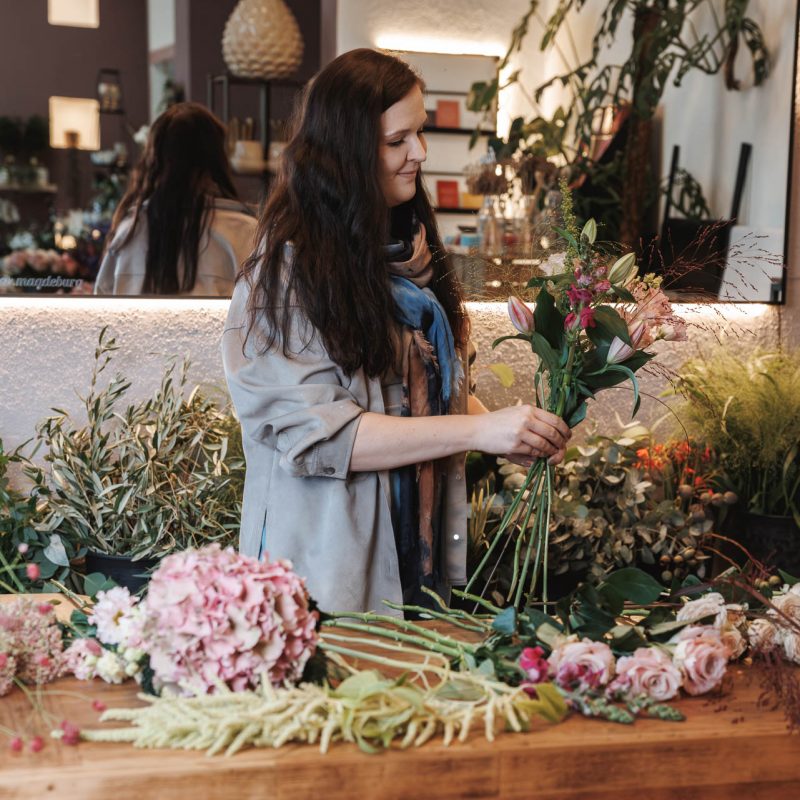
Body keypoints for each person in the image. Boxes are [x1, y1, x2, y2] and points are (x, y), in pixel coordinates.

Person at [222, 49, 570, 615]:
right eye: (397, 141)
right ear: (346, 153)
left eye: (421, 133)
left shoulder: (409, 256)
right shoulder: (284, 276)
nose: (421, 154)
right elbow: (325, 436)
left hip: (418, 561)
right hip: (324, 574)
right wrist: (477, 434)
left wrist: (513, 436)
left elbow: (422, 396)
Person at [95, 102, 256, 296]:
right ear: (218, 158)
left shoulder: (128, 233)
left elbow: (102, 308)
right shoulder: (246, 233)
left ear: (154, 159)